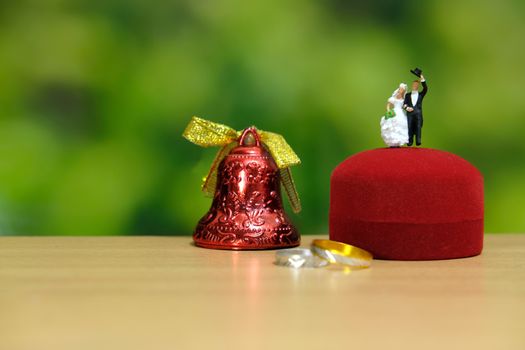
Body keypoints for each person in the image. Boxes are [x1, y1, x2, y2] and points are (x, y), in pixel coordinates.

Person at [380, 83, 409, 147]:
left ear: (403, 91)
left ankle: (398, 142)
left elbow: (405, 106)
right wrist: (389, 111)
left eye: (402, 90)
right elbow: (388, 105)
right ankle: (391, 142)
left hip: (400, 113)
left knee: (399, 126)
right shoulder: (393, 98)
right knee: (392, 126)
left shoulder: (404, 99)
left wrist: (408, 108)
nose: (400, 90)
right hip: (394, 112)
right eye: (400, 89)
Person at [403, 74, 428, 146]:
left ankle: (418, 140)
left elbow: (426, 88)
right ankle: (410, 140)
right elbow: (404, 104)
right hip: (410, 114)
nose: (415, 86)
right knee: (409, 127)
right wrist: (407, 108)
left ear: (418, 86)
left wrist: (422, 79)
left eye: (416, 85)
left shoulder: (421, 94)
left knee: (418, 127)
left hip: (418, 114)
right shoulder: (407, 95)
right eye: (414, 84)